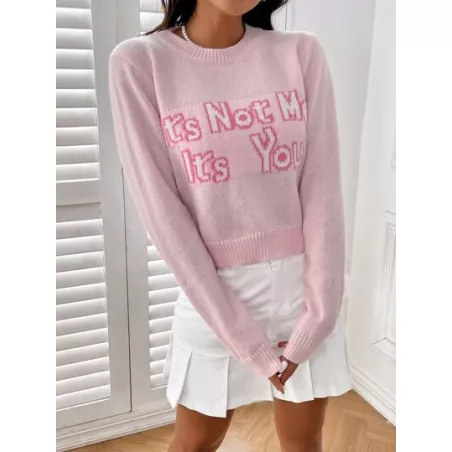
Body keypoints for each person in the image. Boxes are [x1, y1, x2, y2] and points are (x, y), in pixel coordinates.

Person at [109, 0, 351, 450]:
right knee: (194, 445)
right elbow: (163, 215)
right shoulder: (140, 63)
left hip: (306, 292)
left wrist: (319, 315)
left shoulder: (300, 53)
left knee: (304, 443)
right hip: (216, 295)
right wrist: (245, 340)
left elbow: (324, 193)